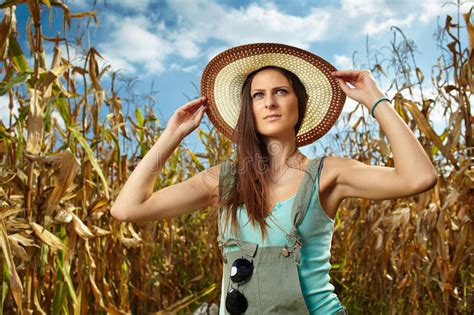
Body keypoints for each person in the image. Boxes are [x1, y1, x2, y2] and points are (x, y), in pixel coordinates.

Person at [111, 43, 438, 314]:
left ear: (299, 102)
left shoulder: (329, 174)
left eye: (281, 91)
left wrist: (374, 99)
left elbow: (418, 178)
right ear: (248, 109)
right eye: (257, 95)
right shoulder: (223, 181)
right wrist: (171, 136)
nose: (269, 102)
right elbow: (127, 208)